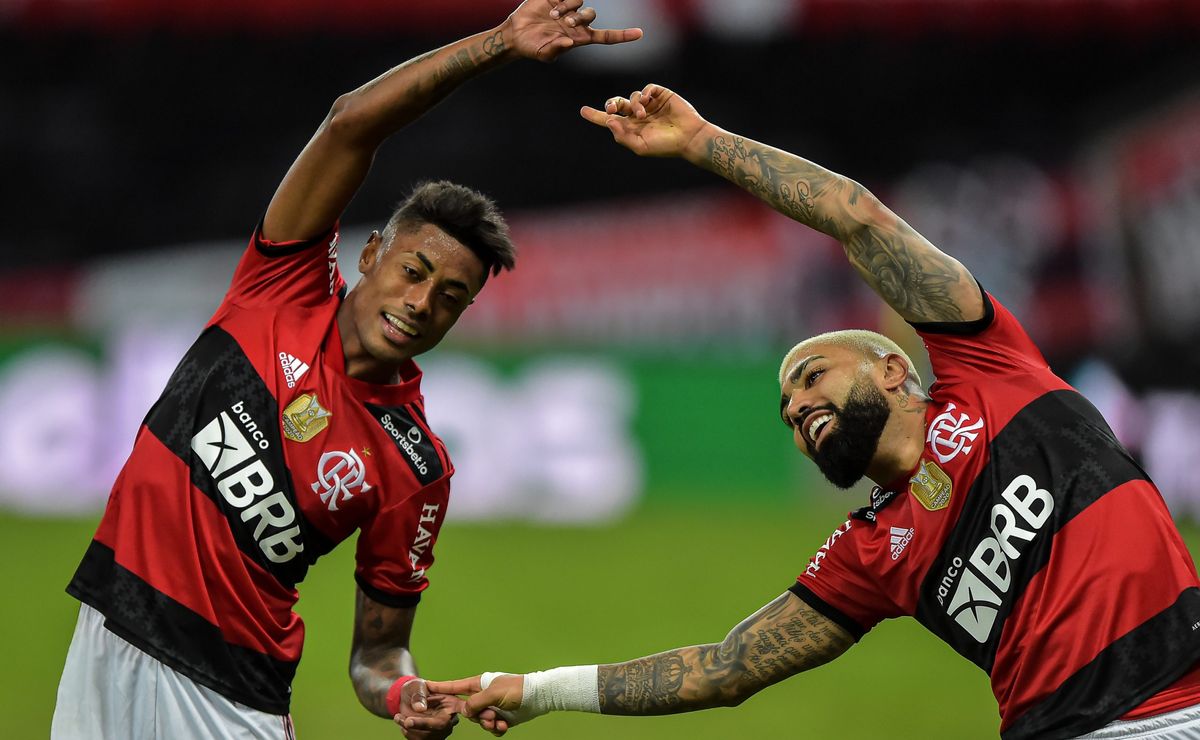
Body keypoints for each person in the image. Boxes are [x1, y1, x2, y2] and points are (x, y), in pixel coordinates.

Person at [422, 84, 1200, 739]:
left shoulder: (992, 370)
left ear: (893, 369)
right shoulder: (868, 552)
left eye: (812, 376)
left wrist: (702, 143)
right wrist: (538, 690)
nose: (797, 406)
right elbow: (725, 669)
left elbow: (857, 217)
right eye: (788, 411)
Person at [49, 4, 641, 739]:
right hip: (106, 633)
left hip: (224, 698)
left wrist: (403, 694)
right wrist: (497, 44)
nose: (421, 302)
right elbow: (349, 124)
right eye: (414, 271)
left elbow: (378, 654)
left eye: (450, 297)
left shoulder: (414, 468)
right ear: (369, 255)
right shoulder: (282, 285)